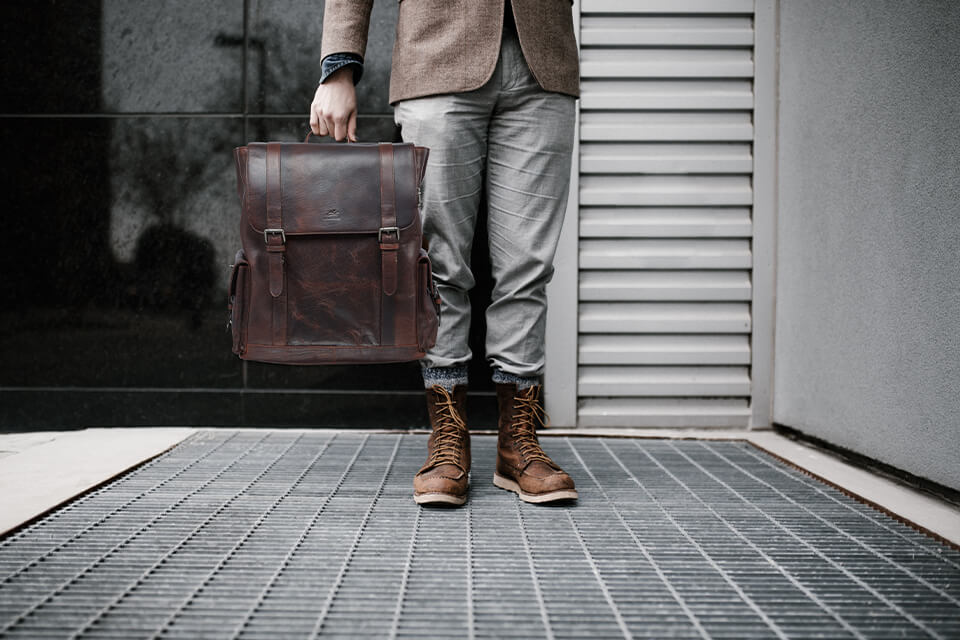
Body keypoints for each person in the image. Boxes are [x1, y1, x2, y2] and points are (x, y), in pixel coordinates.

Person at [310, 0, 579, 506]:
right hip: (437, 55)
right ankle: (447, 436)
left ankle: (517, 443)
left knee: (529, 267)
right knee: (438, 264)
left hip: (544, 58)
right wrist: (339, 68)